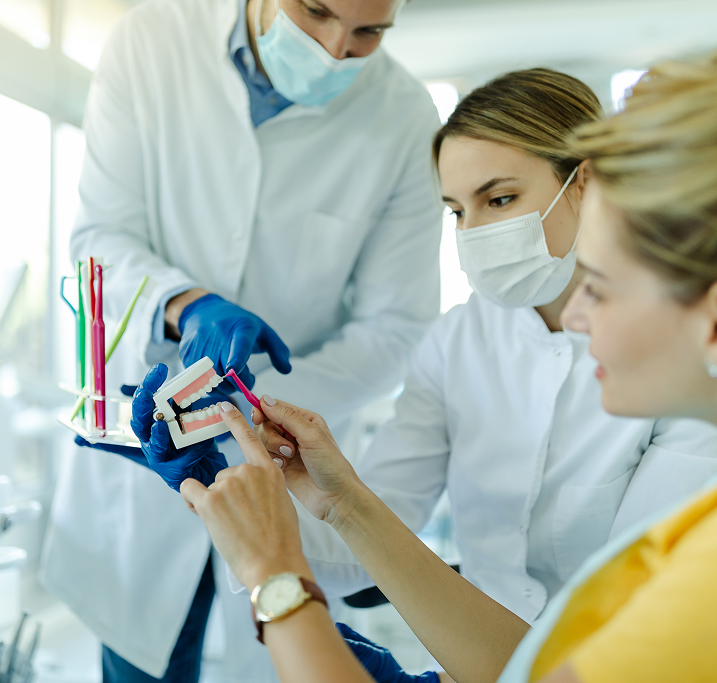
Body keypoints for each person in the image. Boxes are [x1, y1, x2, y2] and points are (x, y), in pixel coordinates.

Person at [164, 40, 717, 683]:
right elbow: (538, 660)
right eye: (456, 210)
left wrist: (277, 582)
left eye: (604, 285)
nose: (580, 315)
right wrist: (332, 503)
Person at [38, 0, 444, 680]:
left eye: (370, 30)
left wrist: (235, 406)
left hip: (279, 466)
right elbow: (98, 241)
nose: (335, 47)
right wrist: (184, 302)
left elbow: (397, 327)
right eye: (315, 10)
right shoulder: (150, 44)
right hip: (143, 471)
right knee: (143, 654)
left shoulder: (403, 118)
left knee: (285, 646)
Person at [283, 69, 717, 622]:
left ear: (585, 183)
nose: (473, 232)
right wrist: (240, 492)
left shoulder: (686, 350)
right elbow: (371, 533)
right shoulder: (455, 344)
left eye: (499, 199)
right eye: (457, 211)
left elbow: (644, 591)